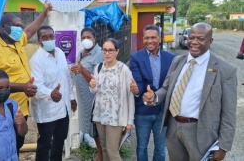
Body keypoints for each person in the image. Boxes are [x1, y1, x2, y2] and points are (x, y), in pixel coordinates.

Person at [143, 23, 237, 161]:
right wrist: (155, 97)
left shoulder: (225, 70)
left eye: (200, 38)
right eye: (191, 37)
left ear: (210, 41)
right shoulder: (177, 61)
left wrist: (223, 146)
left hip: (201, 132)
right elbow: (167, 88)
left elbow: (229, 113)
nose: (194, 42)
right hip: (174, 128)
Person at [0, 0, 52, 152]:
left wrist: (44, 13)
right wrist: (23, 87)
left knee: (17, 143)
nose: (20, 29)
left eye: (20, 26)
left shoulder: (15, 40)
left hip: (21, 106)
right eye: (16, 26)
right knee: (6, 145)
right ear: (3, 27)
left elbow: (29, 32)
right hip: (5, 108)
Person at [29, 26, 77, 161]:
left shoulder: (60, 52)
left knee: (60, 140)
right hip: (46, 110)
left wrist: (72, 98)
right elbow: (36, 86)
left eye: (51, 36)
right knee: (45, 144)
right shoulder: (36, 60)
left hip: (63, 108)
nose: (48, 39)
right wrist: (51, 93)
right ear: (39, 40)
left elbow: (66, 77)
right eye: (44, 37)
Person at [129, 24, 175, 161]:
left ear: (160, 39)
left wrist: (156, 96)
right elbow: (138, 82)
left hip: (163, 111)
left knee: (161, 148)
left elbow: (172, 84)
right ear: (143, 39)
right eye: (146, 38)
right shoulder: (136, 58)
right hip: (143, 110)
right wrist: (137, 91)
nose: (150, 41)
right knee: (142, 147)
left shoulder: (172, 58)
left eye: (153, 37)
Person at [89, 38, 135, 161]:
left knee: (113, 152)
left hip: (116, 118)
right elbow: (94, 92)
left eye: (110, 50)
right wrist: (92, 85)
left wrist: (129, 121)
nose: (107, 53)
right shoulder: (98, 67)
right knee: (103, 150)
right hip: (100, 115)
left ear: (117, 51)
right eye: (104, 50)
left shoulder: (123, 69)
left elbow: (130, 96)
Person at [70, 27, 104, 161]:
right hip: (84, 98)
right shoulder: (80, 53)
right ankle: (100, 155)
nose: (86, 40)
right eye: (83, 38)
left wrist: (82, 70)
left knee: (98, 129)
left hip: (94, 98)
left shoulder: (100, 54)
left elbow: (98, 80)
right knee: (92, 129)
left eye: (89, 37)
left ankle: (102, 156)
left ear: (95, 39)